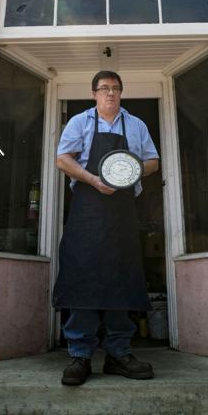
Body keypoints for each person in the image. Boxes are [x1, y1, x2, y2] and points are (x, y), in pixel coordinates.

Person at [52, 70, 160, 386]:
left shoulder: (136, 125)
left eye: (115, 88)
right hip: (88, 211)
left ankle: (118, 353)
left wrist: (130, 173)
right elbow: (62, 160)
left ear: (121, 93)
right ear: (94, 94)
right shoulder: (80, 123)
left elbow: (153, 161)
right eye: (104, 89)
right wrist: (94, 180)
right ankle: (80, 355)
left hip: (123, 213)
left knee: (121, 278)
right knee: (83, 277)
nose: (110, 93)